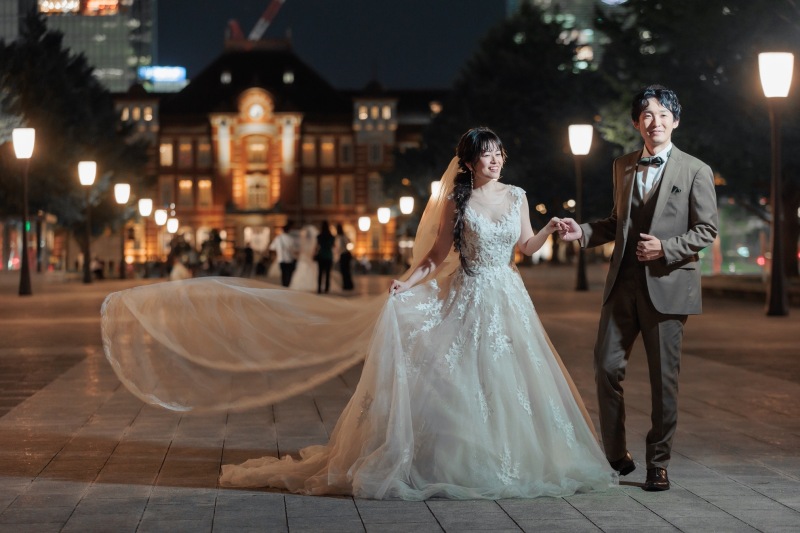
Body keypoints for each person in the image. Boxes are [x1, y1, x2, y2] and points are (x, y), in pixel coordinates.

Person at [101, 127, 617, 500]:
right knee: (461, 377)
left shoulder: (519, 195)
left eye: (499, 153)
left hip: (508, 298)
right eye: (486, 156)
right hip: (469, 293)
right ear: (470, 162)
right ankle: (459, 457)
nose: (495, 161)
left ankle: (517, 456)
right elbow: (436, 258)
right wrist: (406, 281)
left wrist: (554, 231)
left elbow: (524, 246)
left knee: (513, 380)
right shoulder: (457, 204)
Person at [558, 85, 719, 492]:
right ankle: (615, 453)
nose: (656, 122)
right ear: (636, 123)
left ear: (675, 121)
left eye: (664, 115)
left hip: (668, 286)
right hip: (622, 285)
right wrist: (584, 231)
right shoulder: (623, 165)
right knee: (605, 367)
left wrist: (667, 248)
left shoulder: (695, 170)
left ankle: (658, 463)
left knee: (664, 381)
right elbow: (617, 221)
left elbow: (707, 229)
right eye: (647, 115)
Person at [288, 224, 320, 292]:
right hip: (307, 257)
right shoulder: (311, 243)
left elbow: (301, 249)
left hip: (304, 258)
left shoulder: (304, 241)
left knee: (302, 270)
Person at [269, 221, 298, 287]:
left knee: (283, 274)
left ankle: (284, 286)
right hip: (289, 259)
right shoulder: (290, 239)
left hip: (281, 259)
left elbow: (272, 247)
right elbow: (293, 250)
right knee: (289, 274)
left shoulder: (278, 238)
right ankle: (287, 286)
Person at [315, 220, 335, 294]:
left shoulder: (319, 236)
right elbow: (333, 245)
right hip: (328, 256)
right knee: (327, 273)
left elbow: (317, 246)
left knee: (320, 273)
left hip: (321, 255)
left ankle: (319, 288)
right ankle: (326, 288)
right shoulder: (331, 236)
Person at [335, 223, 354, 290]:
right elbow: (348, 243)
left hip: (343, 255)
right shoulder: (344, 236)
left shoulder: (339, 237)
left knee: (344, 271)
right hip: (346, 255)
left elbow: (339, 247)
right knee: (347, 270)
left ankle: (346, 285)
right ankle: (348, 284)